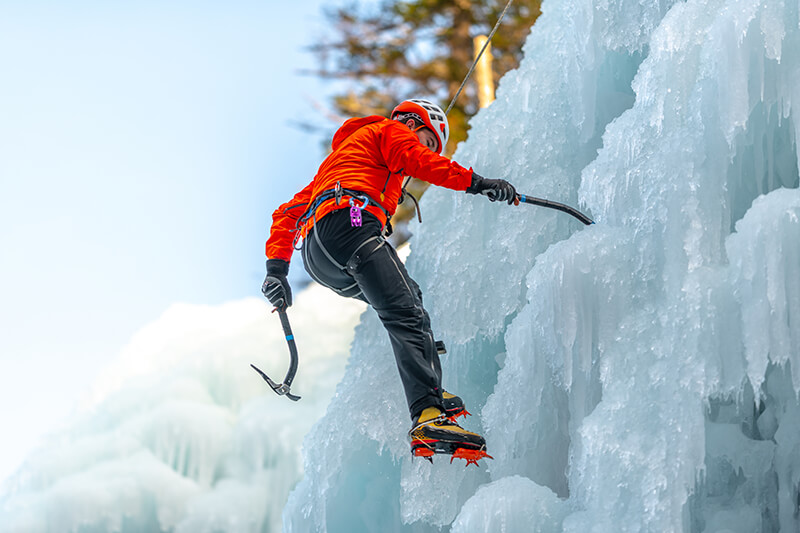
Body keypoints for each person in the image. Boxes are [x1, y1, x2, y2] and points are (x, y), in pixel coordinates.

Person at [262, 99, 516, 465]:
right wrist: (477, 183)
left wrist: (276, 270)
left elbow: (286, 213)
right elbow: (421, 161)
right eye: (427, 139)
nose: (423, 150)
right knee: (405, 311)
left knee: (405, 299)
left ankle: (427, 383)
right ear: (412, 123)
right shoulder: (389, 130)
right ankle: (428, 413)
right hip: (351, 225)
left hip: (320, 255)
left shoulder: (342, 161)